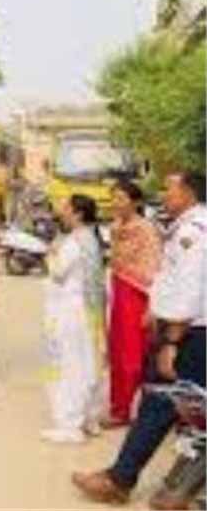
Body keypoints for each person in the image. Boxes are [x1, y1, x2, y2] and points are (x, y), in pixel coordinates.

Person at [72, 171, 207, 508]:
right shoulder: (186, 226)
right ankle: (162, 485)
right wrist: (156, 310)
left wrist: (171, 341)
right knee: (178, 406)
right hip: (186, 329)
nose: (164, 194)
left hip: (189, 333)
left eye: (169, 188)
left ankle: (123, 480)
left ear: (189, 193)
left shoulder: (192, 232)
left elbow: (189, 289)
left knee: (163, 401)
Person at [42, 194, 106, 443]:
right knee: (87, 362)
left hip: (70, 309)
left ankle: (70, 424)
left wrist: (50, 254)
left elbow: (58, 273)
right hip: (86, 309)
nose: (61, 211)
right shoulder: (90, 238)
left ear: (78, 214)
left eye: (66, 207)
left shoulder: (73, 242)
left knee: (69, 364)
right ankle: (89, 417)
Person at [105, 180, 162, 429]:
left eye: (121, 198)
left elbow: (154, 267)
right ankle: (119, 407)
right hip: (119, 291)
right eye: (113, 198)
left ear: (136, 202)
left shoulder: (146, 230)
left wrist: (151, 306)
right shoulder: (116, 226)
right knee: (117, 351)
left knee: (134, 354)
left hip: (138, 294)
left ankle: (137, 409)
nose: (115, 203)